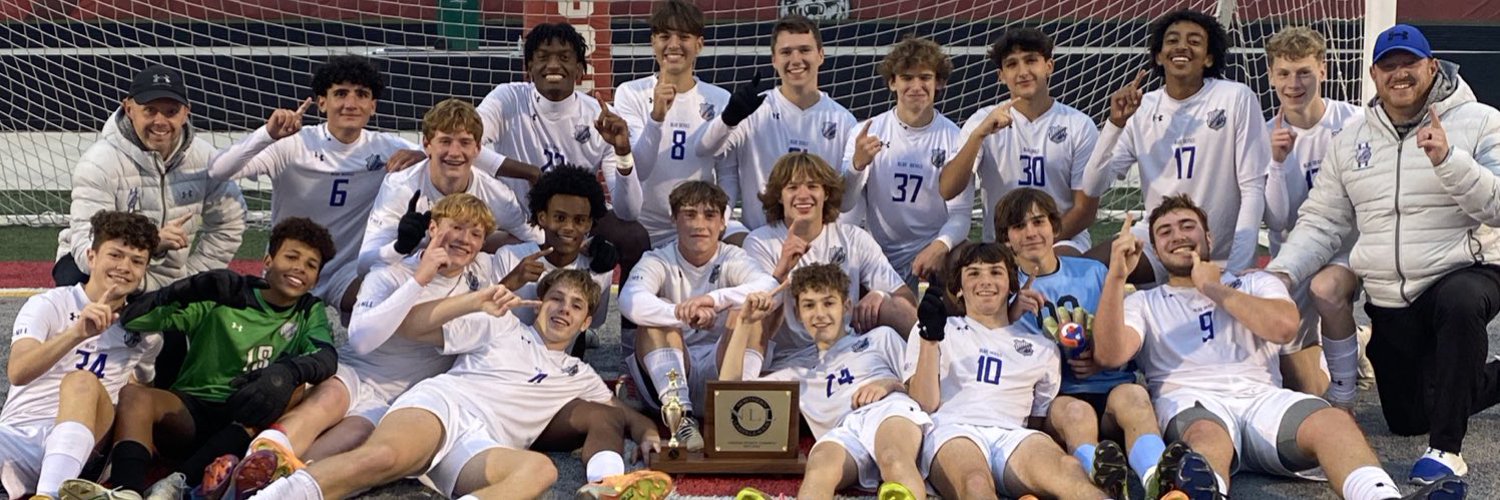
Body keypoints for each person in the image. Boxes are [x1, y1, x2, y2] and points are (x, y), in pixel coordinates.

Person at [1095, 194, 1466, 499]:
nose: (1177, 235)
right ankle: (1204, 493)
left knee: (1333, 421)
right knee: (1207, 439)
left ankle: (1383, 497)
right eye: (1165, 232)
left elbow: (1284, 327)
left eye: (1187, 226)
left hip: (1262, 399)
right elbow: (1111, 354)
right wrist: (1116, 278)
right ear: (1156, 250)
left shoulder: (1254, 281)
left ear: (1208, 237)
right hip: (1191, 400)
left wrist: (1213, 288)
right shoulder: (1144, 302)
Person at [1266, 24, 1500, 485]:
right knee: (1408, 416)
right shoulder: (1352, 140)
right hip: (1392, 296)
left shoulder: (1480, 120)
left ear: (1431, 66)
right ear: (1373, 74)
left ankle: (1447, 451)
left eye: (1409, 64)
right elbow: (1321, 220)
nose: (1399, 75)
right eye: (1388, 66)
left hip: (1465, 270)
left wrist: (1449, 161)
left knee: (1460, 302)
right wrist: (1280, 273)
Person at [246, 270, 670, 500]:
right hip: (443, 406)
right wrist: (471, 302)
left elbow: (622, 415)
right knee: (383, 457)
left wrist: (648, 433)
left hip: (484, 442)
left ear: (585, 321)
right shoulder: (501, 325)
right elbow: (411, 326)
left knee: (539, 471)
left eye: (576, 306)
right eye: (556, 298)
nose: (563, 309)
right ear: (541, 302)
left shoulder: (581, 376)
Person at [219, 193, 499, 497]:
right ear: (432, 228)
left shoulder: (479, 273)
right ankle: (249, 467)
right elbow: (363, 340)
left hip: (397, 393)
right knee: (326, 403)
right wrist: (419, 279)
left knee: (352, 438)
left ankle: (259, 485)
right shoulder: (390, 273)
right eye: (456, 227)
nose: (464, 239)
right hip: (356, 369)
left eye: (475, 234)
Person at [103, 218, 339, 496]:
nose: (300, 267)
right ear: (268, 259)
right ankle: (126, 490)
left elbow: (325, 356)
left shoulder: (308, 311)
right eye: (291, 257)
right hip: (188, 414)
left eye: (311, 265)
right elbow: (135, 319)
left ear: (317, 278)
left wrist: (287, 372)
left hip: (243, 422)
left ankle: (177, 484)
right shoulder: (225, 293)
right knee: (135, 395)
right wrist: (187, 288)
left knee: (286, 389)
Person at [206, 55, 423, 317]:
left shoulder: (390, 149)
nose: (351, 104)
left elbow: (449, 162)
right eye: (340, 94)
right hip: (291, 264)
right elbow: (219, 170)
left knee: (389, 297)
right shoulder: (293, 144)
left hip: (346, 273)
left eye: (361, 95)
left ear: (373, 105)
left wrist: (425, 157)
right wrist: (267, 135)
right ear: (322, 102)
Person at [994, 188, 1171, 499]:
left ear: (1054, 227)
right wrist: (1008, 315)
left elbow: (1117, 328)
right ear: (1007, 238)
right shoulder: (1004, 291)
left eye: (1038, 222)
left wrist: (1100, 356)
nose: (1031, 232)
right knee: (1077, 414)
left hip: (1111, 384)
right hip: (1061, 398)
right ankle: (1101, 483)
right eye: (1019, 226)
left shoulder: (1093, 272)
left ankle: (1158, 480)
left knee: (1134, 398)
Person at [1080, 9, 1269, 284]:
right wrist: (1114, 124)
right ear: (1159, 55)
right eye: (1172, 40)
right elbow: (1093, 186)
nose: (1182, 46)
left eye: (1194, 41)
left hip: (1218, 250)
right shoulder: (1141, 108)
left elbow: (1252, 189)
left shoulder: (1236, 98)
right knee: (1084, 272)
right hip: (1161, 242)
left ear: (1209, 57)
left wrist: (1235, 270)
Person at [907, 243, 1107, 500]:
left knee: (1068, 471)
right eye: (974, 273)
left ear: (1012, 285)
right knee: (976, 483)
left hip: (1013, 435)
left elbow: (1037, 419)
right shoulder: (935, 329)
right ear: (958, 287)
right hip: (952, 429)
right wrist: (930, 339)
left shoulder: (1041, 346)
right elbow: (924, 403)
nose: (986, 281)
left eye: (996, 272)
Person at [721, 264, 929, 499]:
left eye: (829, 303)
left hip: (889, 412)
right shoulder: (798, 376)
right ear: (798, 314)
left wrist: (889, 385)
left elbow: (924, 391)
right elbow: (728, 399)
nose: (819, 314)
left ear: (846, 306)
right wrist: (744, 323)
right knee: (819, 465)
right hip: (844, 432)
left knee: (893, 457)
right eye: (809, 305)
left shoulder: (880, 338)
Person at [0, 212, 162, 500]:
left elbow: (137, 394)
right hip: (17, 436)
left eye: (136, 261)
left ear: (145, 270)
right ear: (92, 256)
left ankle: (50, 494)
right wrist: (76, 334)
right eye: (115, 255)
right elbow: (18, 371)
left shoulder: (145, 332)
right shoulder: (49, 304)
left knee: (82, 382)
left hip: (84, 450)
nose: (124, 267)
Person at [476, 22, 649, 288]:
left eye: (564, 57)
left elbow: (629, 211)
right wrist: (529, 173)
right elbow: (466, 146)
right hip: (516, 218)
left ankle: (627, 330)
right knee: (469, 235)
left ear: (580, 70)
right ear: (529, 68)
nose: (554, 65)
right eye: (543, 57)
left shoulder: (598, 117)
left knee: (634, 236)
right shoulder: (507, 98)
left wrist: (623, 151)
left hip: (573, 223)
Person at [55, 64, 246, 290]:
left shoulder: (207, 160)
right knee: (82, 287)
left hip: (169, 279)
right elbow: (85, 250)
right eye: (150, 110)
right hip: (106, 272)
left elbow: (230, 223)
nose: (160, 121)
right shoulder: (98, 163)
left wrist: (193, 278)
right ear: (128, 109)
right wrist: (149, 244)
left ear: (186, 112)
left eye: (171, 111)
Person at [618, 181, 778, 450]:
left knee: (747, 312)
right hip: (671, 374)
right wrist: (680, 314)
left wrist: (714, 300)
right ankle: (681, 419)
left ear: (723, 223)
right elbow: (629, 300)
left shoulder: (733, 257)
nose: (699, 224)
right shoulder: (658, 258)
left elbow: (770, 289)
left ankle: (738, 405)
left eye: (709, 215)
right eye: (689, 214)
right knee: (657, 316)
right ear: (674, 219)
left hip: (723, 366)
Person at [1257, 26, 1366, 404]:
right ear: (1270, 75)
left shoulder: (1355, 122)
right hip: (1293, 255)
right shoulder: (1262, 135)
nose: (1293, 83)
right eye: (1284, 73)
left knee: (1328, 289)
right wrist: (1275, 163)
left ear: (1323, 69)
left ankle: (1345, 395)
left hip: (1347, 250)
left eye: (1303, 71)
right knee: (1294, 381)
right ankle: (1355, 342)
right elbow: (1278, 221)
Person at [742, 152, 916, 373]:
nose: (803, 195)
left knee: (895, 306)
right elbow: (753, 313)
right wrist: (781, 269)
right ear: (779, 196)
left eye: (813, 186)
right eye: (793, 187)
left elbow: (906, 297)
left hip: (846, 348)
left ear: (826, 193)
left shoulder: (853, 237)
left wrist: (881, 295)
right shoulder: (760, 242)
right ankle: (746, 385)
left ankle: (930, 373)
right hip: (789, 357)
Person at [937, 28, 1100, 255]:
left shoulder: (1079, 125)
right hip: (1002, 244)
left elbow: (1085, 210)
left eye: (1031, 61)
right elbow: (947, 190)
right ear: (1001, 76)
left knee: (1062, 262)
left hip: (1062, 239)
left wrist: (1036, 245)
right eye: (1012, 65)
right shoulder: (982, 121)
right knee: (957, 262)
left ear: (1048, 66)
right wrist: (978, 136)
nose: (1023, 72)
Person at [697, 14, 859, 230]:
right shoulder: (753, 110)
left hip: (817, 245)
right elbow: (704, 150)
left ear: (821, 55)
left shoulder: (844, 120)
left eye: (804, 50)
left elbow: (846, 200)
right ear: (774, 60)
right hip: (760, 243)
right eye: (786, 52)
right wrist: (729, 119)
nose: (795, 59)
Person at [842, 37, 973, 290]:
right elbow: (845, 204)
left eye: (925, 77)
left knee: (967, 257)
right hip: (878, 251)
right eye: (906, 78)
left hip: (932, 250)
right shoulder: (866, 133)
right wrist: (856, 165)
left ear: (939, 83)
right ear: (893, 82)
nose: (916, 86)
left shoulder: (955, 138)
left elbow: (961, 215)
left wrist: (940, 246)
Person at [357, 98, 546, 273]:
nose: (455, 152)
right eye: (445, 141)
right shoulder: (400, 187)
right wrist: (400, 247)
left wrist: (480, 245)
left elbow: (536, 241)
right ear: (427, 145)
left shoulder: (496, 194)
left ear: (478, 149)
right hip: (411, 278)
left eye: (465, 142)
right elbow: (364, 266)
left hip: (465, 282)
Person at [614, 0, 747, 247]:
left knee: (745, 242)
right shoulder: (630, 93)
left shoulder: (719, 99)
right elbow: (638, 168)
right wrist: (656, 118)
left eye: (683, 36)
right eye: (665, 36)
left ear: (699, 44)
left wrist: (723, 220)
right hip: (645, 227)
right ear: (653, 42)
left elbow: (727, 171)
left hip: (701, 223)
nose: (674, 45)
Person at [489, 166, 617, 331]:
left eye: (579, 220)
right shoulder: (509, 257)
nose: (569, 227)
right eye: (560, 218)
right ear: (542, 217)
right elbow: (486, 320)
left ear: (589, 224)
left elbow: (593, 322)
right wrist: (509, 283)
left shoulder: (599, 268)